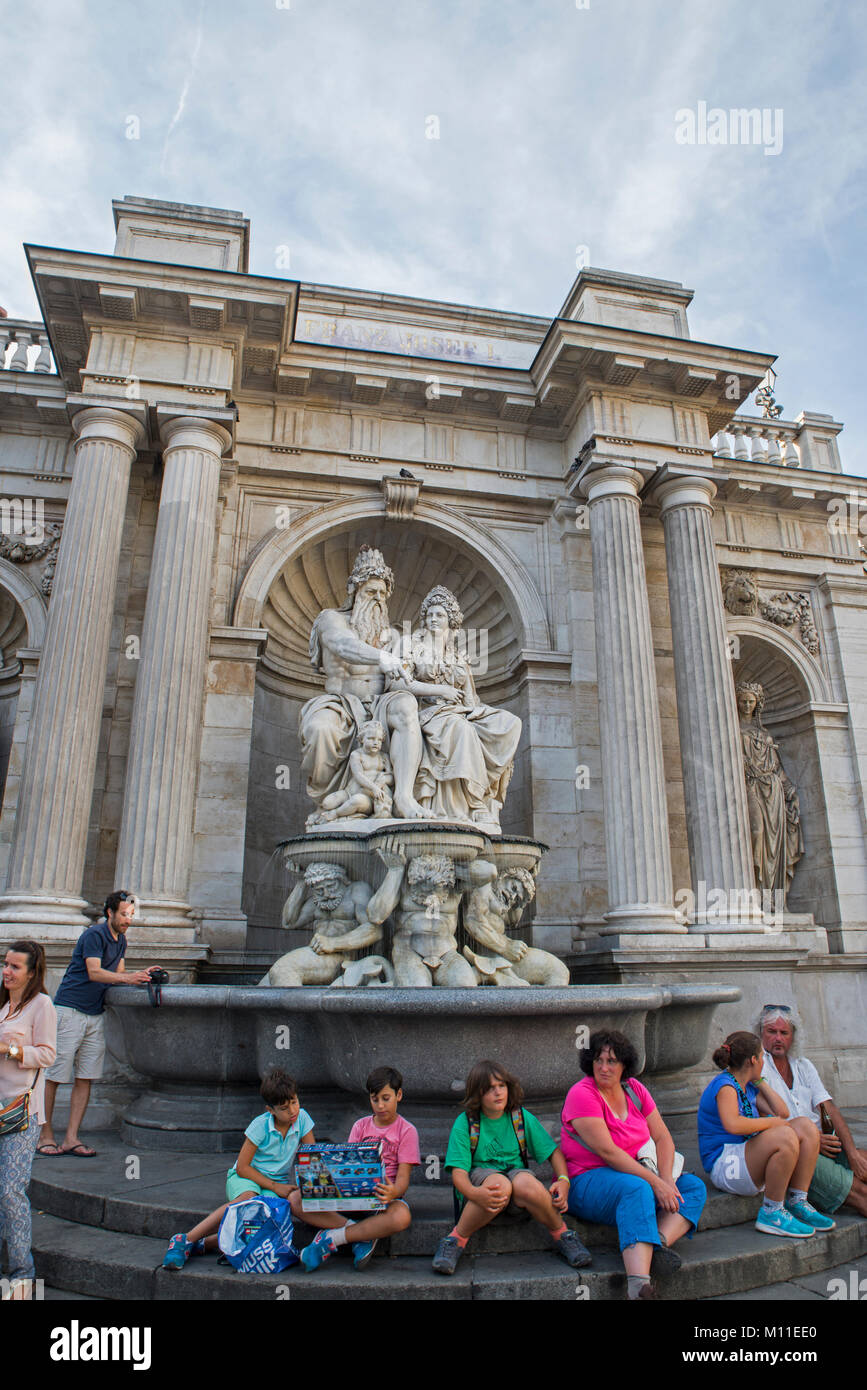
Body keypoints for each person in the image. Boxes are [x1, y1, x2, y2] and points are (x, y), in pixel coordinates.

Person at [563, 1029, 706, 1301]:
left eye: (612, 1061)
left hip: (639, 1173)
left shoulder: (635, 1090)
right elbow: (609, 1152)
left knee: (693, 1187)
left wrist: (667, 1179)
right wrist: (656, 1183)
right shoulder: (582, 1094)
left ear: (624, 1065)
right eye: (598, 1060)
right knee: (637, 1188)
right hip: (588, 1181)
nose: (604, 1068)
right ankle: (639, 1288)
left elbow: (663, 1137)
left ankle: (657, 1243)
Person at [299, 545, 426, 820]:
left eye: (383, 593)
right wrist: (383, 657)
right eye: (370, 591)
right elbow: (343, 645)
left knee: (406, 705)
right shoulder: (331, 620)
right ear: (354, 591)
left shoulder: (391, 635)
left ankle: (404, 795)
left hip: (380, 704)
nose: (377, 598)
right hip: (341, 703)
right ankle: (325, 802)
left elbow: (401, 681)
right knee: (320, 729)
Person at [432, 1059, 591, 1275]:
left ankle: (563, 1234)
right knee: (500, 1184)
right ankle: (455, 1240)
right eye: (489, 1089)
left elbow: (554, 1153)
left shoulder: (519, 1117)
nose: (498, 1093)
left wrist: (563, 1181)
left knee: (528, 1183)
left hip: (517, 1186)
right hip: (483, 1186)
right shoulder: (466, 1122)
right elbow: (459, 1174)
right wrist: (473, 1193)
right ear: (477, 1095)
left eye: (501, 1086)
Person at [39, 891, 159, 1157]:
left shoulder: (122, 940)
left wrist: (142, 975)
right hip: (70, 1010)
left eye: (131, 915)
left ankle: (71, 1138)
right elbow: (94, 972)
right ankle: (45, 1135)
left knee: (85, 1078)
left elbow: (118, 974)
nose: (128, 920)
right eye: (124, 914)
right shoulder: (94, 935)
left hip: (94, 1014)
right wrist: (130, 979)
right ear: (110, 913)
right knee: (55, 1077)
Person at [391, 586, 521, 831]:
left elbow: (471, 698)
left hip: (458, 711)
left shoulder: (459, 657)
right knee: (461, 729)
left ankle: (487, 801)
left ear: (450, 620)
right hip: (425, 712)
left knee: (510, 723)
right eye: (429, 614)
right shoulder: (411, 644)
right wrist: (441, 691)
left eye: (439, 614)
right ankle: (473, 804)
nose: (433, 618)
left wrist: (476, 713)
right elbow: (397, 682)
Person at [162, 1068, 315, 1269]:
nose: (293, 1111)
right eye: (284, 1108)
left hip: (276, 1183)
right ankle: (184, 1240)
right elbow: (243, 1167)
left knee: (266, 1215)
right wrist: (275, 1187)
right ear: (270, 1110)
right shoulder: (260, 1126)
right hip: (247, 1178)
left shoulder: (302, 1119)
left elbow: (312, 1157)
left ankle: (205, 1244)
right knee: (248, 1200)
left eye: (294, 1102)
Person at [697, 1030, 834, 1238]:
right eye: (762, 1057)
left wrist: (760, 1081)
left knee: (806, 1127)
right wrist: (770, 1123)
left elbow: (783, 1112)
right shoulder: (724, 1086)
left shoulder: (748, 1085)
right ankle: (771, 1212)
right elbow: (732, 1124)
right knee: (785, 1135)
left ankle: (798, 1200)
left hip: (745, 1157)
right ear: (753, 1060)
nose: (764, 1061)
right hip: (725, 1164)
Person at [299, 1065, 420, 1271]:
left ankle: (334, 1238)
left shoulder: (407, 1130)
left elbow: (403, 1178)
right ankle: (363, 1234)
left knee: (401, 1216)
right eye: (375, 1099)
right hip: (352, 1195)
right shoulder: (360, 1126)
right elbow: (347, 1161)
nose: (380, 1105)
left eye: (385, 1098)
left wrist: (393, 1192)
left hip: (385, 1200)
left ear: (398, 1095)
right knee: (296, 1199)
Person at [759, 1004, 867, 1219]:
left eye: (784, 1033)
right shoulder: (757, 1068)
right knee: (862, 1193)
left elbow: (828, 1108)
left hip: (826, 1144)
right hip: (795, 1152)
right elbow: (764, 1121)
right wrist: (812, 1139)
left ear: (793, 1037)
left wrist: (852, 1153)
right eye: (771, 1032)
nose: (778, 1038)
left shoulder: (803, 1065)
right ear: (760, 1034)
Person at [0, 940, 57, 1299]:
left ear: (32, 972)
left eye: (15, 967)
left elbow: (48, 1054)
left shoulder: (42, 1006)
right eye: (5, 964)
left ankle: (22, 1276)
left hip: (19, 1112)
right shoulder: (2, 1004)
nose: (7, 971)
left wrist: (11, 1048)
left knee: (10, 1191)